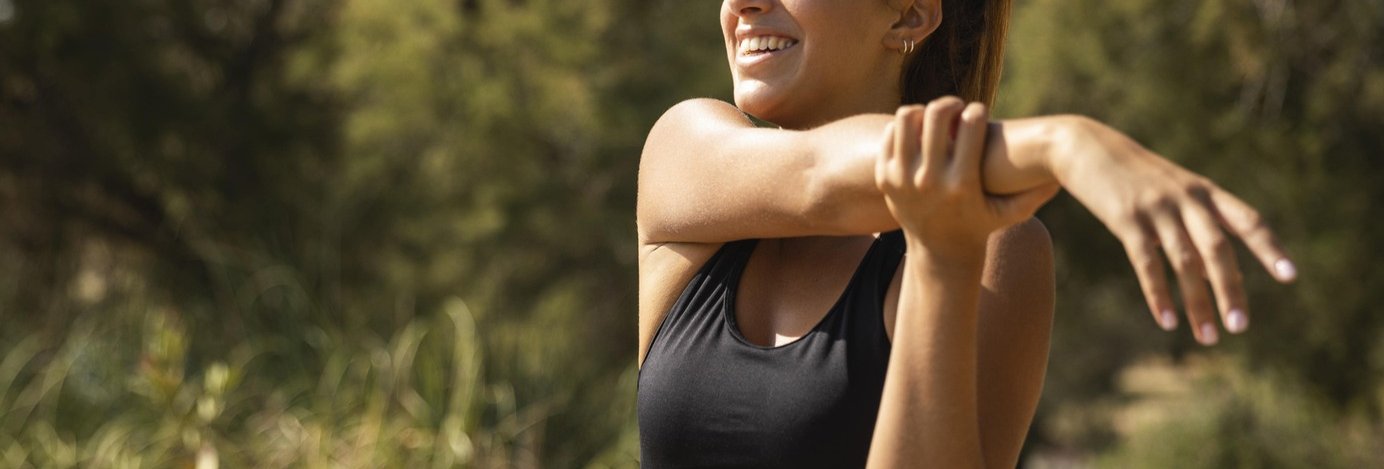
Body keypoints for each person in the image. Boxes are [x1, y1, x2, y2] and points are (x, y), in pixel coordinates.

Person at [634, 0, 1297, 467]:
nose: (744, 3)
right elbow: (817, 177)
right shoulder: (686, 151)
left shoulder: (997, 246)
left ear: (910, 12)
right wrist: (1065, 142)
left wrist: (943, 265)